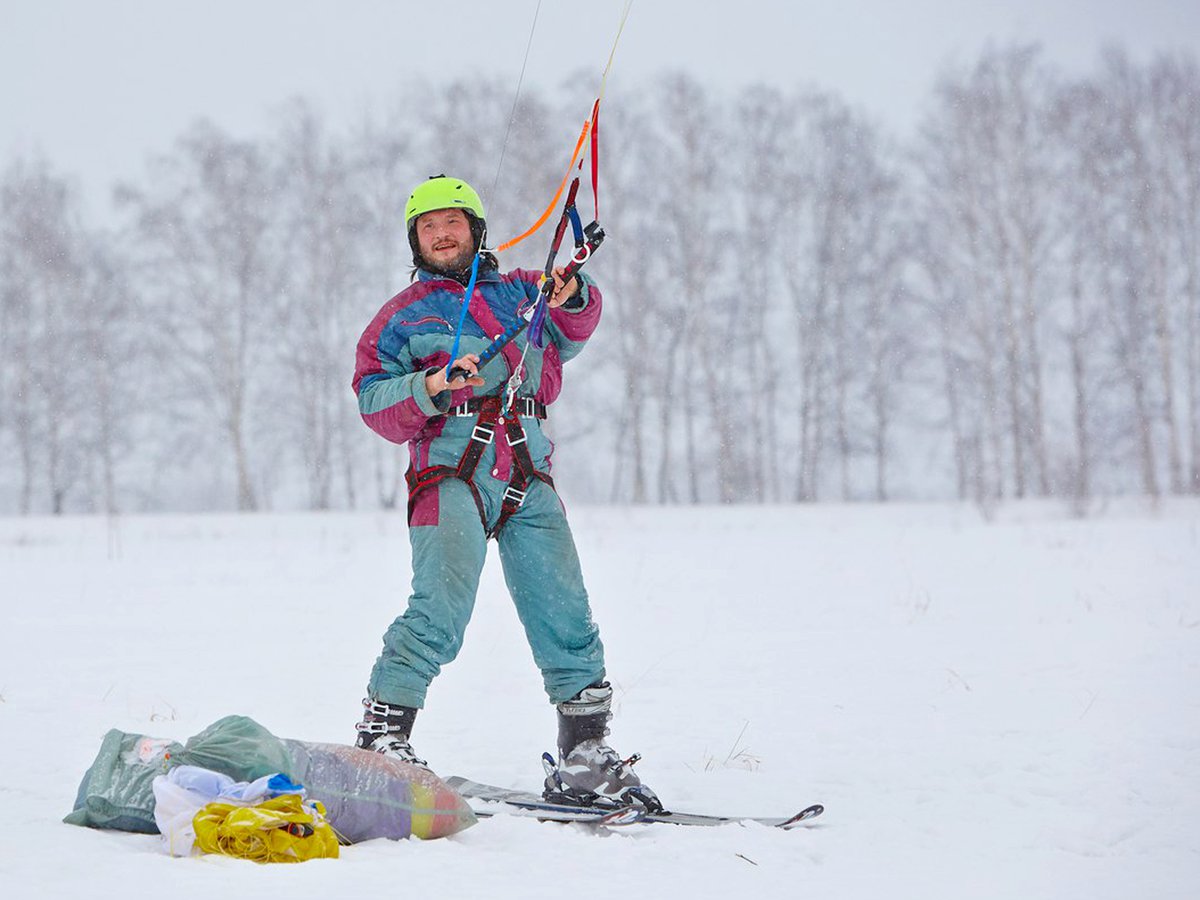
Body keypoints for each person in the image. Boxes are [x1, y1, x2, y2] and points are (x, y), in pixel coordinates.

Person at [351, 175, 657, 809]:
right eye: (428, 225)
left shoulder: (523, 291)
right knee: (440, 612)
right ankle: (382, 737)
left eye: (453, 222)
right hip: (449, 474)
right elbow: (374, 401)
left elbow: (575, 326)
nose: (441, 233)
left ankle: (584, 756)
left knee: (566, 614)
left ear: (476, 230)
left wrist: (574, 292)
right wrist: (432, 385)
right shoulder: (401, 317)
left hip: (527, 471)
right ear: (415, 239)